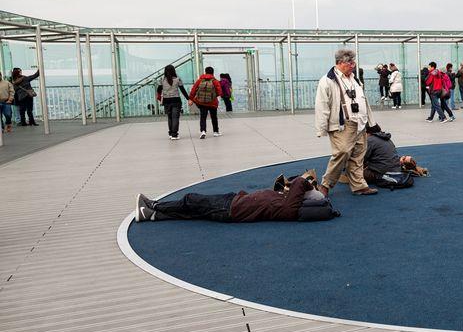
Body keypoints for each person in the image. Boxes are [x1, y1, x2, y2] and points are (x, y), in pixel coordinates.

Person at [134, 175, 336, 223]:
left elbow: (300, 181)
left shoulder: (289, 209)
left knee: (191, 200)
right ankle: (152, 214)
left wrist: (312, 187)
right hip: (235, 202)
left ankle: (155, 205)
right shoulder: (289, 204)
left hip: (231, 209)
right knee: (194, 211)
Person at [314, 47, 379, 197]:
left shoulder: (354, 78)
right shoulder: (327, 80)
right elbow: (322, 104)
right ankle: (325, 185)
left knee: (358, 155)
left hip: (360, 123)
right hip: (342, 124)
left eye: (353, 62)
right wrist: (321, 128)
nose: (353, 65)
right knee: (342, 153)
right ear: (340, 63)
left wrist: (370, 122)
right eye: (350, 63)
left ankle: (359, 186)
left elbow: (363, 100)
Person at [362, 126, 429, 182]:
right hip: (395, 168)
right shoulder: (386, 138)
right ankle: (409, 169)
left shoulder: (370, 140)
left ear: (367, 132)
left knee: (355, 173)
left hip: (382, 172)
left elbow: (362, 159)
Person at [155, 64, 190, 140]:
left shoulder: (162, 79)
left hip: (166, 101)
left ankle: (171, 133)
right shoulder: (177, 79)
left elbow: (158, 90)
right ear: (174, 71)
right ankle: (174, 134)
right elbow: (182, 90)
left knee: (170, 117)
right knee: (175, 118)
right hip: (176, 100)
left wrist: (163, 92)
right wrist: (188, 99)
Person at [189, 66, 223, 139]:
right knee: (214, 117)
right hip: (212, 102)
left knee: (203, 117)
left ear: (205, 72)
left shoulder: (200, 80)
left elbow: (194, 89)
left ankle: (203, 131)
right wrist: (213, 96)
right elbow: (220, 92)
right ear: (213, 72)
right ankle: (216, 132)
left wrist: (191, 98)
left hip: (202, 102)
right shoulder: (215, 81)